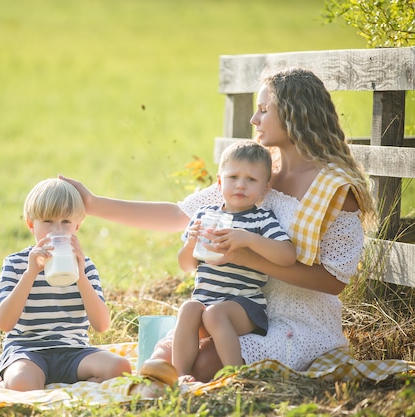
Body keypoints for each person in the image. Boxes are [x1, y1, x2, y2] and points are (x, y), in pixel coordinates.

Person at [60, 67, 377, 382]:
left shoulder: (334, 189)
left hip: (298, 321)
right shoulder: (255, 174)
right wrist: (92, 203)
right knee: (164, 357)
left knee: (204, 365)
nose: (254, 120)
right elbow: (177, 215)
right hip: (230, 306)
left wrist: (248, 258)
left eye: (264, 110)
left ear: (296, 115)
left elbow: (334, 281)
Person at [173, 140, 296, 382]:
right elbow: (187, 265)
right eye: (233, 177)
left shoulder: (261, 220)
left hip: (245, 307)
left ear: (265, 188)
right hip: (206, 300)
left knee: (215, 315)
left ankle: (236, 378)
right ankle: (179, 377)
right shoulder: (205, 216)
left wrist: (249, 240)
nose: (240, 185)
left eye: (251, 180)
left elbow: (287, 255)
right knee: (188, 308)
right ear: (219, 182)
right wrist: (190, 244)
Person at [0, 178, 131, 391]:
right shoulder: (16, 264)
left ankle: (65, 386)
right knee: (22, 381)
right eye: (48, 221)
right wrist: (31, 273)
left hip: (73, 351)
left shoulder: (85, 266)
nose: (56, 231)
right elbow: (4, 323)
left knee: (120, 367)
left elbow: (102, 325)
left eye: (66, 222)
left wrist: (80, 276)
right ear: (31, 224)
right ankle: (27, 382)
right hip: (27, 351)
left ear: (78, 225)